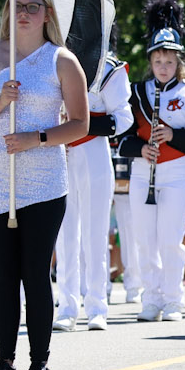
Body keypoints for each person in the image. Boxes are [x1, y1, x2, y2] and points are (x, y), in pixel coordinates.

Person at [0, 0, 90, 370]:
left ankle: (39, 363)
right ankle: (3, 363)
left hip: (44, 180)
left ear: (46, 13)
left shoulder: (62, 60)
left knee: (35, 271)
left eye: (33, 6)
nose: (24, 13)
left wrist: (35, 138)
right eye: (17, 5)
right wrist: (1, 100)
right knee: (3, 272)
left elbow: (79, 124)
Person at [126, 0, 185, 323]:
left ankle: (174, 300)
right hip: (142, 171)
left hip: (177, 172)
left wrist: (173, 135)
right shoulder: (137, 92)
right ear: (151, 60)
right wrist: (140, 148)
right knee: (144, 240)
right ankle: (151, 299)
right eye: (158, 60)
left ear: (179, 62)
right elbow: (125, 135)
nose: (163, 67)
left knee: (170, 240)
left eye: (169, 61)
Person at [57, 33, 127, 330]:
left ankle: (97, 305)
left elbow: (122, 118)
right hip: (58, 152)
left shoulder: (109, 68)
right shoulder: (54, 63)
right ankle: (67, 306)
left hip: (94, 151)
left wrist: (81, 124)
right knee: (63, 235)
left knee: (96, 232)